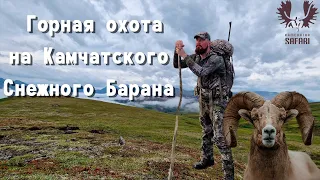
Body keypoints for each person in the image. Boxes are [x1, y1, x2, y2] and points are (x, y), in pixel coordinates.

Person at [173, 32, 234, 180]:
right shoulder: (198, 57)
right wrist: (176, 51)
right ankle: (207, 159)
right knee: (206, 131)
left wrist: (184, 54)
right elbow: (177, 65)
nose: (198, 43)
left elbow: (202, 72)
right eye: (196, 41)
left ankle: (229, 175)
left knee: (220, 137)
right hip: (204, 100)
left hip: (218, 102)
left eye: (201, 40)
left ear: (209, 42)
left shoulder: (216, 59)